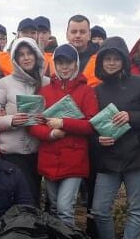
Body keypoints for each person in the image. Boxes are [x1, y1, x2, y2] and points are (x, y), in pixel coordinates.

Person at [87, 38, 140, 239]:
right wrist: (98, 140)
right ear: (100, 62)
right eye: (107, 59)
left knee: (136, 209)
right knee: (99, 210)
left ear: (124, 61)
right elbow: (91, 126)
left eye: (116, 58)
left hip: (139, 154)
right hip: (109, 157)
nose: (111, 63)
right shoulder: (97, 91)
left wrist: (131, 116)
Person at [29, 44, 98, 227]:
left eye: (69, 63)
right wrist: (51, 133)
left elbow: (91, 125)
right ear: (54, 65)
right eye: (60, 63)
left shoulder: (86, 91)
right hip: (49, 158)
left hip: (74, 159)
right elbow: (34, 125)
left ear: (76, 64)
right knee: (53, 208)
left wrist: (64, 123)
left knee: (65, 209)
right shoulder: (44, 91)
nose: (64, 67)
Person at [0, 38, 49, 200]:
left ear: (37, 55)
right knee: (21, 198)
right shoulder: (5, 83)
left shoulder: (47, 83)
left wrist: (45, 118)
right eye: (21, 54)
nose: (26, 57)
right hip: (13, 153)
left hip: (39, 150)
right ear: (15, 59)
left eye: (30, 53)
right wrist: (11, 120)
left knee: (35, 195)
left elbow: (55, 114)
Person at [65, 15, 102, 87]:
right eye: (73, 32)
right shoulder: (55, 59)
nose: (78, 35)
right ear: (67, 35)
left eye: (82, 32)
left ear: (89, 35)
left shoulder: (101, 60)